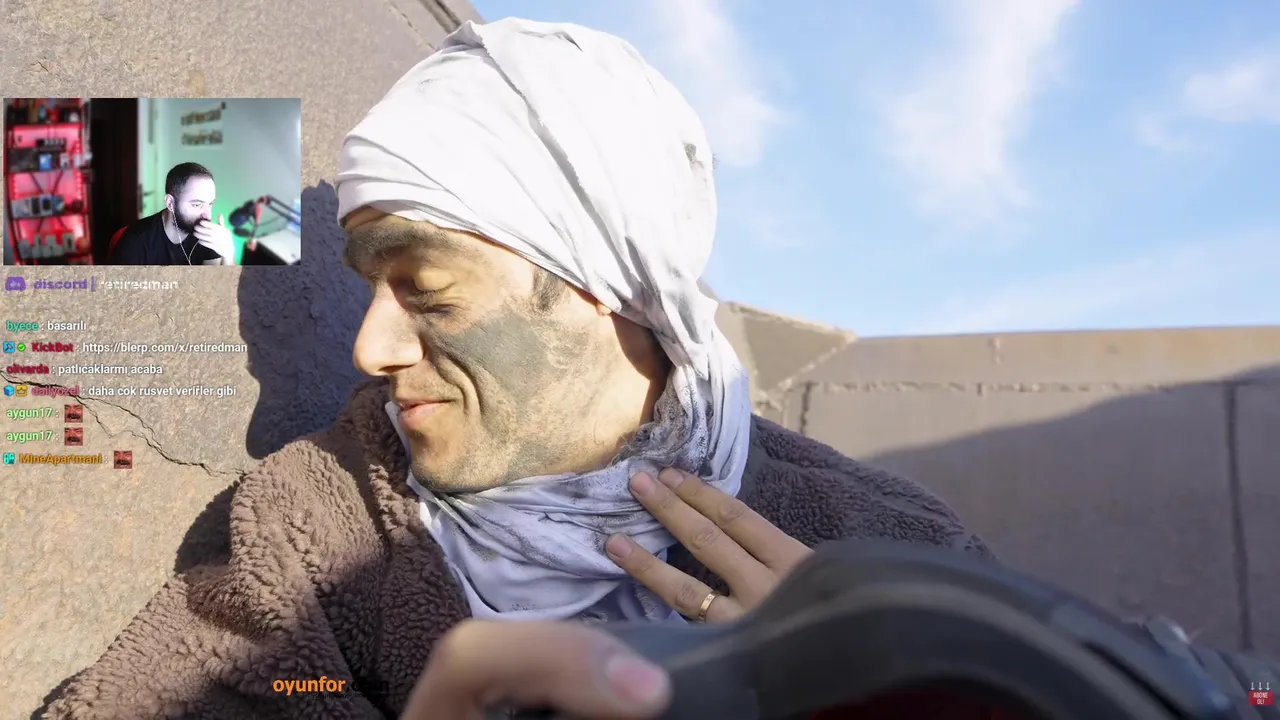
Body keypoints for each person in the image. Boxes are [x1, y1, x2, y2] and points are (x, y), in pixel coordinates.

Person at [46, 19, 991, 718]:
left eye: (428, 291)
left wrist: (882, 698)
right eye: (370, 288)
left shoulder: (894, 553)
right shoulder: (317, 525)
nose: (369, 351)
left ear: (606, 286)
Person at [108, 162, 237, 265]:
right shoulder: (136, 240)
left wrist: (228, 254)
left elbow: (214, 286)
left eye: (210, 204)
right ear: (170, 203)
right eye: (197, 204)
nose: (207, 216)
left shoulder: (208, 235)